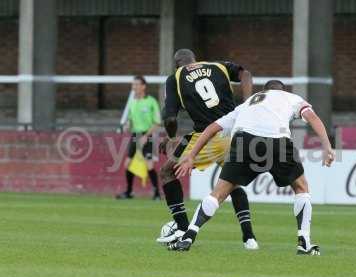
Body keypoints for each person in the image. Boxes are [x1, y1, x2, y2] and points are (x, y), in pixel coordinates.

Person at [170, 80, 335, 255]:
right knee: (301, 187)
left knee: (218, 193)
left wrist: (191, 156)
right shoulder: (291, 98)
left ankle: (188, 235)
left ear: (264, 91)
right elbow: (312, 117)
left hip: (243, 141)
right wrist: (327, 146)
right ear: (282, 90)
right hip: (277, 140)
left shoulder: (247, 103)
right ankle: (304, 242)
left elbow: (212, 128)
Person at [157, 49, 259, 250]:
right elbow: (245, 74)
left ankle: (181, 227)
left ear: (177, 65)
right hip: (234, 133)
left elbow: (169, 118)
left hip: (208, 136)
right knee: (231, 182)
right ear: (195, 59)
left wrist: (171, 138)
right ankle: (249, 238)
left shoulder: (175, 78)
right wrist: (247, 105)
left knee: (167, 172)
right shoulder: (218, 66)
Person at [116, 75, 161, 200]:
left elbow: (157, 122)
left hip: (148, 135)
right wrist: (127, 125)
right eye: (133, 85)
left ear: (143, 86)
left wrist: (146, 136)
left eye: (136, 84)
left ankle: (157, 193)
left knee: (149, 165)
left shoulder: (151, 101)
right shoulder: (132, 102)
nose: (134, 87)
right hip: (135, 135)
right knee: (127, 163)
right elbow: (131, 120)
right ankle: (129, 192)